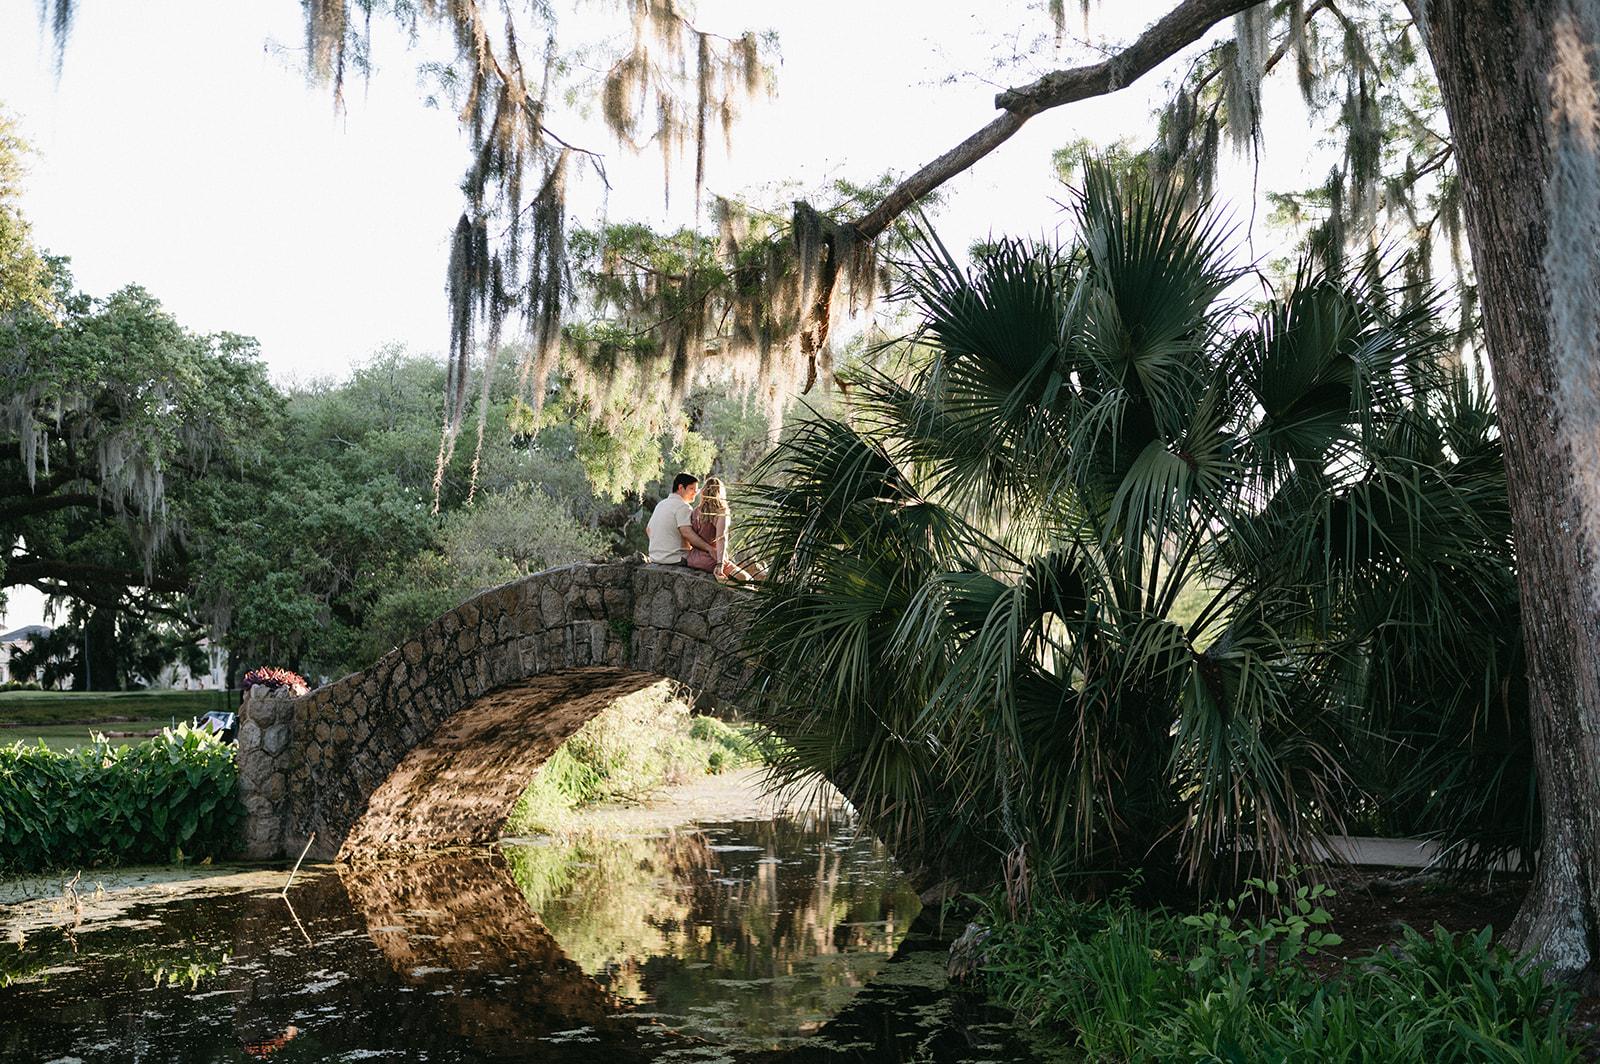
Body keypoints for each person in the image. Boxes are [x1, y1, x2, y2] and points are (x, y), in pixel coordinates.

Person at [684, 476, 755, 581]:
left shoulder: (695, 512)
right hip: (711, 559)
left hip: (693, 559)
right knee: (748, 580)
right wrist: (720, 564)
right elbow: (721, 538)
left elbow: (692, 541)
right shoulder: (721, 512)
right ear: (720, 493)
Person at [646, 472, 717, 565]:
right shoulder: (683, 507)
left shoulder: (661, 504)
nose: (695, 493)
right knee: (717, 561)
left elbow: (648, 530)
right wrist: (709, 548)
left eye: (696, 490)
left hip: (655, 558)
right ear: (680, 488)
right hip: (675, 558)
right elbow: (686, 532)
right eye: (692, 489)